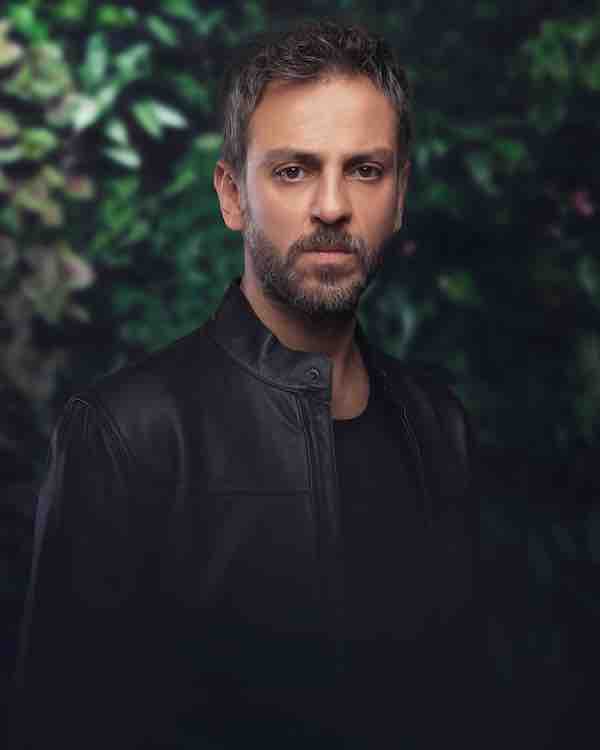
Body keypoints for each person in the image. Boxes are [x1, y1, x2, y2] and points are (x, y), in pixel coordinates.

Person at [11, 17, 509, 749]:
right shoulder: (127, 434)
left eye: (364, 170)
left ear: (400, 195)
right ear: (232, 195)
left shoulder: (439, 428)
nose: (332, 206)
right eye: (293, 171)